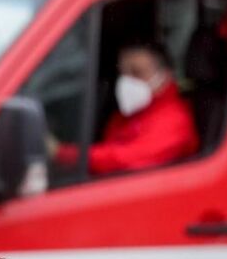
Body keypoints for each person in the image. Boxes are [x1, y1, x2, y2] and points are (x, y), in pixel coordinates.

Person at [49, 41, 199, 175]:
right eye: (123, 73)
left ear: (164, 76)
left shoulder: (174, 121)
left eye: (137, 73)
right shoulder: (131, 112)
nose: (127, 81)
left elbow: (124, 160)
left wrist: (63, 153)